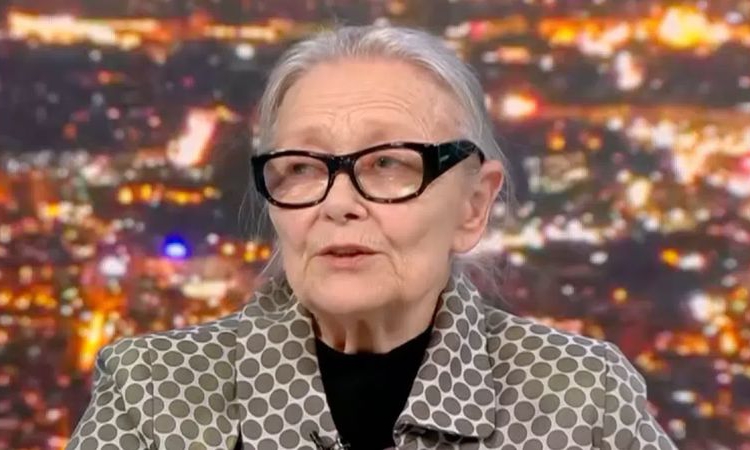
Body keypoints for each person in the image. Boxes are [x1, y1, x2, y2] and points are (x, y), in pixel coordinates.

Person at [68, 25, 678, 450]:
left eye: (387, 163)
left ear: (473, 205)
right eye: (302, 167)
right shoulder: (152, 390)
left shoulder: (580, 394)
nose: (337, 203)